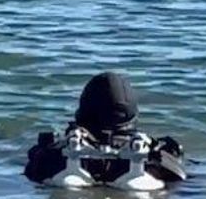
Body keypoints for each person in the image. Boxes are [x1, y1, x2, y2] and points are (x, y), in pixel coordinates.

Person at [25, 71, 186, 191]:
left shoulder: (56, 155)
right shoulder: (153, 157)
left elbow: (32, 172)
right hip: (135, 187)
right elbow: (180, 178)